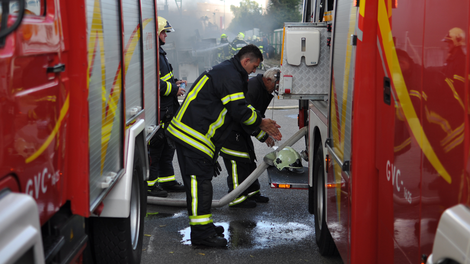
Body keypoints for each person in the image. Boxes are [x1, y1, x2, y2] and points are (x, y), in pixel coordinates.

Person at [166, 44, 282, 247]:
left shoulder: (229, 71)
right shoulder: (230, 75)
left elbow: (236, 109)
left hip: (196, 136)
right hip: (193, 136)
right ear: (246, 61)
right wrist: (262, 123)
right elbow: (239, 110)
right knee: (199, 185)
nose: (255, 71)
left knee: (202, 184)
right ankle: (202, 236)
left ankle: (205, 227)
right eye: (254, 66)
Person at [221, 67, 280, 208]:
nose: (276, 88)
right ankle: (236, 198)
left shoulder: (262, 89)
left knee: (249, 160)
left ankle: (252, 192)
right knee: (237, 162)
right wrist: (263, 136)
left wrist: (267, 127)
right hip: (231, 129)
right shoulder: (253, 88)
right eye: (276, 84)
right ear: (268, 80)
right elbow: (245, 116)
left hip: (241, 130)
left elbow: (257, 116)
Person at [147, 17, 187, 197]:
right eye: (163, 32)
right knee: (156, 148)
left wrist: (175, 81)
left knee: (167, 147)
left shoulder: (159, 53)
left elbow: (163, 80)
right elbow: (153, 84)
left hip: (167, 109)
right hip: (160, 110)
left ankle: (167, 181)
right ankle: (150, 186)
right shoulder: (152, 55)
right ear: (155, 33)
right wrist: (175, 89)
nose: (165, 35)